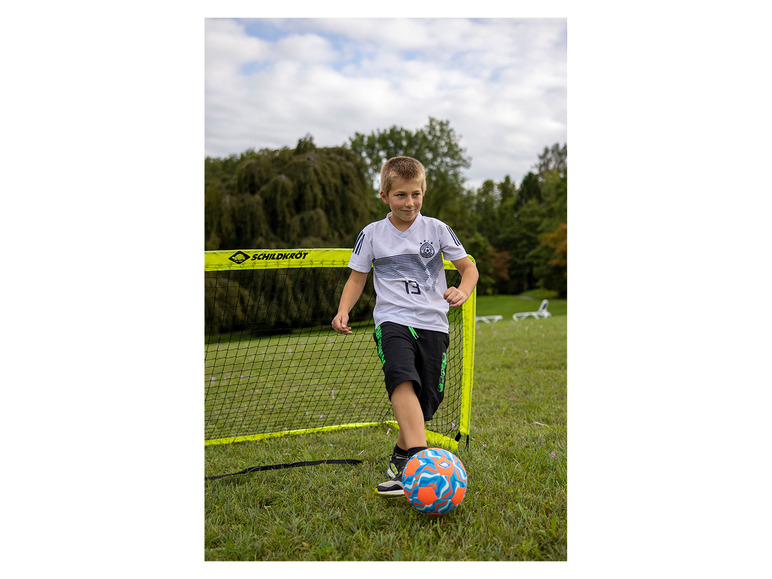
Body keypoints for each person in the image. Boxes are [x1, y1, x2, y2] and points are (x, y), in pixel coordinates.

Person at [331, 156, 479, 496]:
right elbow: (356, 278)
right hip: (393, 320)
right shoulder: (372, 234)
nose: (409, 202)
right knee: (401, 376)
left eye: (416, 194)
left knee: (427, 403)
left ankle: (400, 458)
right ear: (385, 196)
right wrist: (343, 311)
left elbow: (468, 268)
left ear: (423, 192)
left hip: (434, 324)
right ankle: (419, 463)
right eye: (400, 195)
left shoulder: (437, 229)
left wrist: (463, 290)